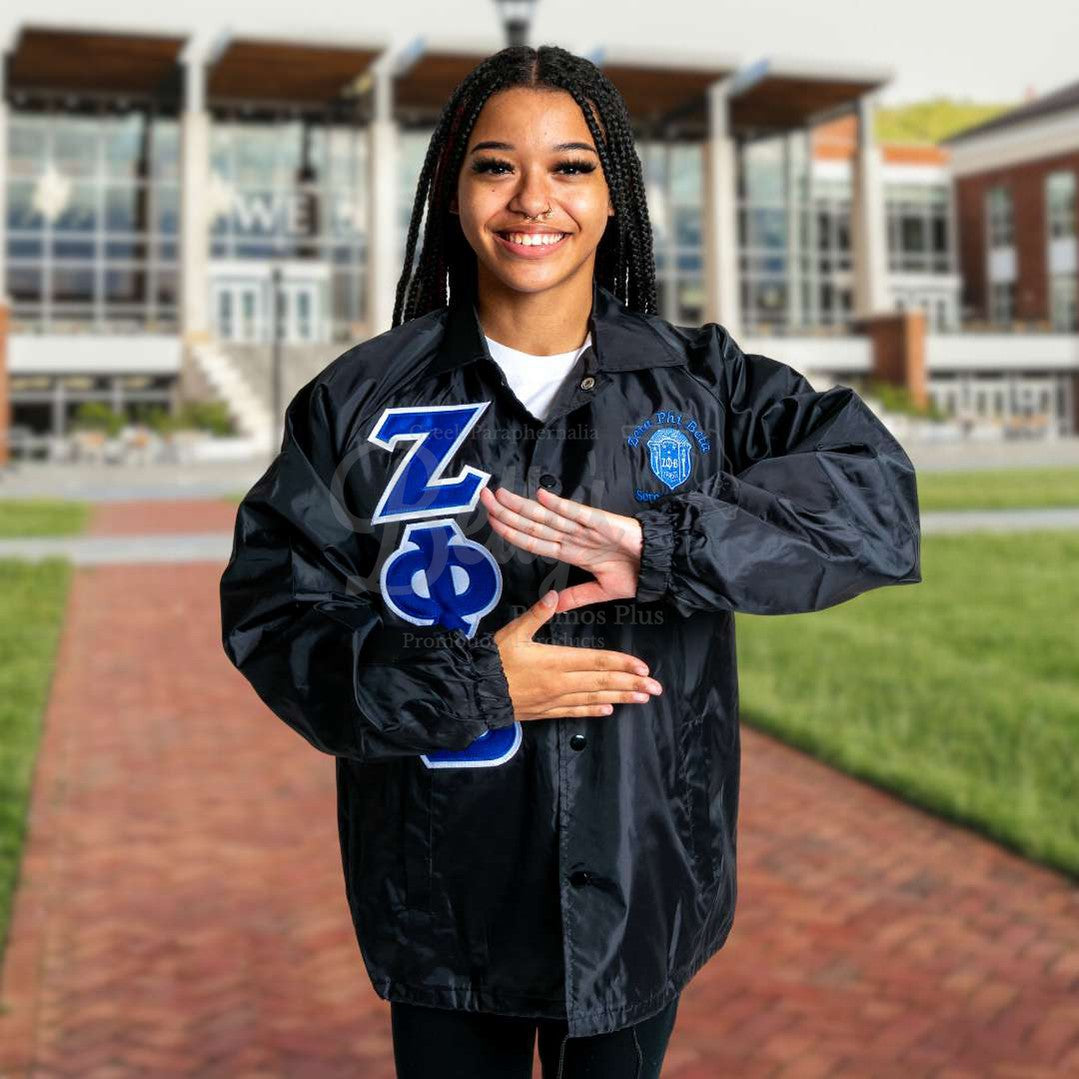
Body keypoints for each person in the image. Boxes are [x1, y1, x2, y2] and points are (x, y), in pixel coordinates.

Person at [219, 44, 922, 1079]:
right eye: (495, 165)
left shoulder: (701, 385)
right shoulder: (358, 403)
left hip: (642, 885)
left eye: (571, 166)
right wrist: (473, 684)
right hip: (441, 900)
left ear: (611, 198)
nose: (531, 198)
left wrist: (672, 544)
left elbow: (874, 498)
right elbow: (275, 616)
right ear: (453, 194)